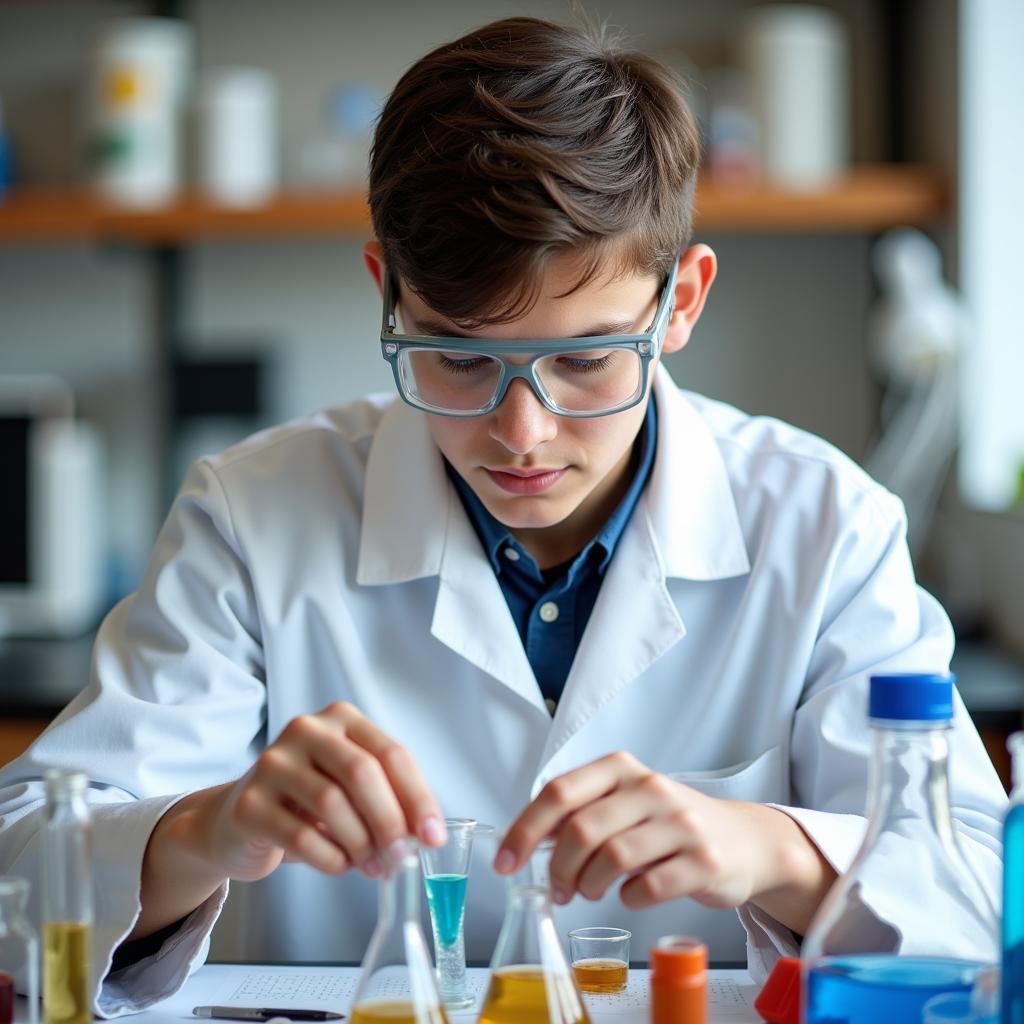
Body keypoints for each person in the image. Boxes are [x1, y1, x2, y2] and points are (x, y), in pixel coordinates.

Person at [0, 15, 1005, 1017]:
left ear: (680, 303)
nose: (521, 430)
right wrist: (206, 829)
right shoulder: (253, 516)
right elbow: (23, 864)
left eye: (583, 358)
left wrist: (767, 845)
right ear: (386, 293)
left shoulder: (825, 524)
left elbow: (974, 892)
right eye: (462, 357)